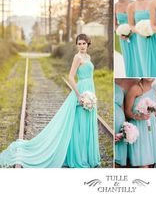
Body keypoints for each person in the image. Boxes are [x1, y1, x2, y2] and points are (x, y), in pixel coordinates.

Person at [0, 34, 100, 168]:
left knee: (87, 123)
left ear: (88, 44)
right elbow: (70, 77)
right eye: (79, 43)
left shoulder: (88, 57)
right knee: (79, 124)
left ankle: (87, 156)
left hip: (90, 90)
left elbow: (90, 76)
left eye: (84, 43)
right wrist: (79, 95)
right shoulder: (77, 57)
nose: (82, 46)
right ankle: (77, 156)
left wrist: (91, 95)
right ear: (76, 45)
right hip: (81, 92)